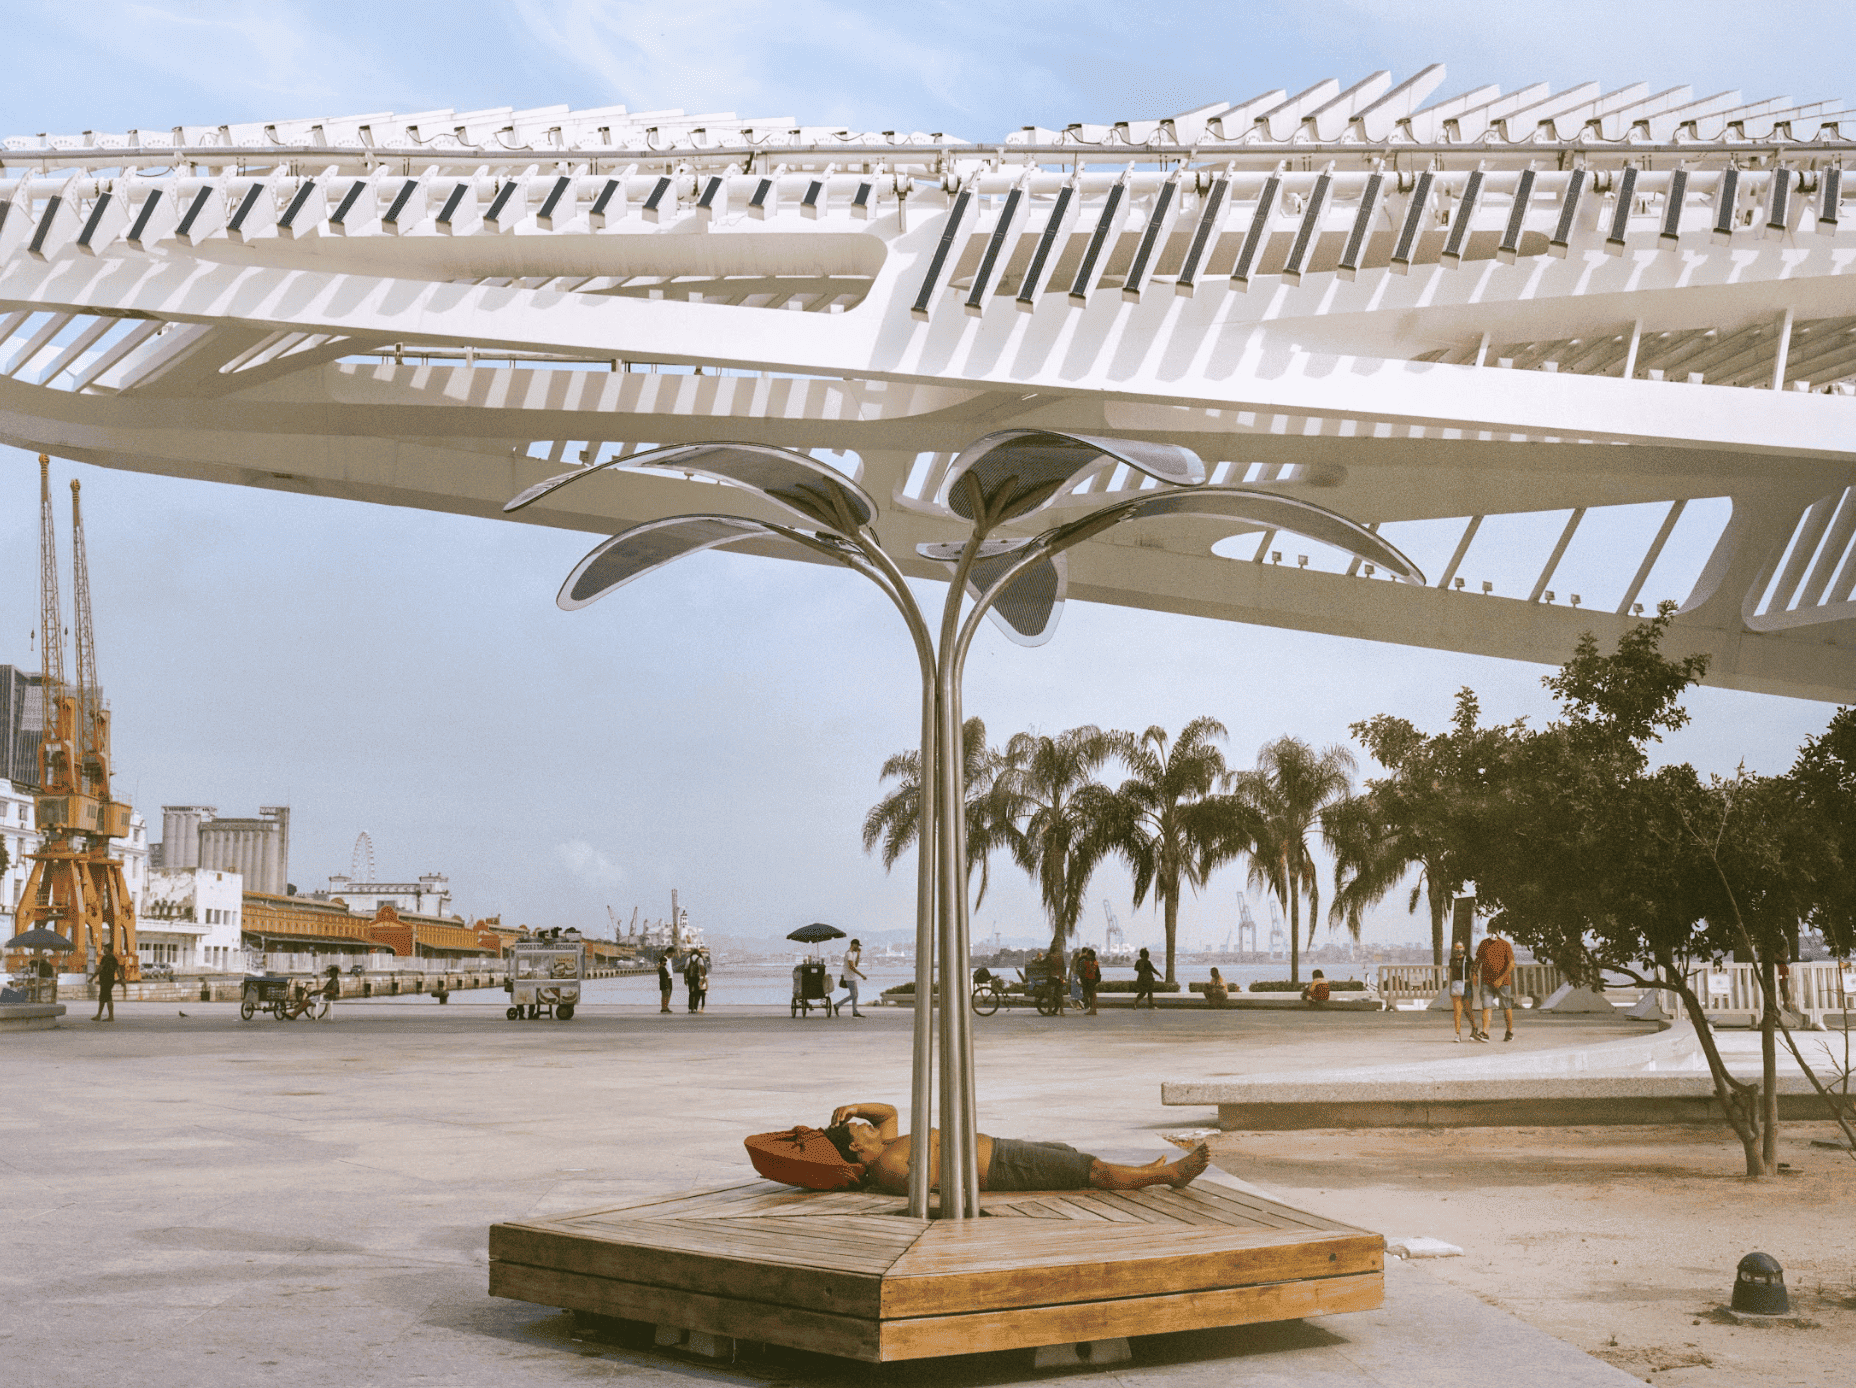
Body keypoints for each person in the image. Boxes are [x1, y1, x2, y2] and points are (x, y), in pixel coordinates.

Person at [821, 1101, 1211, 1194]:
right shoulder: (887, 1166)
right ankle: (1168, 1175)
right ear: (856, 1146)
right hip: (1003, 1168)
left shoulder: (889, 1142)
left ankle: (1145, 1170)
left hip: (1002, 1149)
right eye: (860, 1126)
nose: (867, 1125)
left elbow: (885, 1111)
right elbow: (935, 1183)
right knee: (1087, 1170)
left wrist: (854, 1106)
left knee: (1067, 1152)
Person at [1475, 929, 1517, 1042]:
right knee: (1486, 1006)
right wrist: (1474, 972)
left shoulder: (1505, 945)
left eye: (1496, 930)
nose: (1493, 933)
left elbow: (1511, 964)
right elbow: (1478, 959)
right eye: (1491, 930)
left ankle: (1510, 1031)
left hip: (1503, 983)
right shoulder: (1484, 944)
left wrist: (1501, 979)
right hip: (1486, 981)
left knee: (1506, 1006)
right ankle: (1485, 1033)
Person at [1447, 940, 1473, 1041]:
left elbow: (1473, 970)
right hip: (1456, 985)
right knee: (1457, 1012)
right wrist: (1450, 988)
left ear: (1464, 948)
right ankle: (1458, 1033)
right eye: (1456, 947)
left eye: (1460, 947)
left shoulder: (1468, 959)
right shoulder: (1452, 960)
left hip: (1466, 985)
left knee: (1468, 1010)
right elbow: (1450, 974)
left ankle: (1474, 1028)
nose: (1458, 949)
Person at [839, 938, 866, 1018]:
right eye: (857, 945)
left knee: (855, 995)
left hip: (851, 977)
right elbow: (852, 967)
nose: (858, 947)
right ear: (853, 944)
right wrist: (861, 975)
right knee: (854, 995)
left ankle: (854, 1011)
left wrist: (858, 954)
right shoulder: (849, 954)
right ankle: (838, 1005)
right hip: (849, 978)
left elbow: (856, 965)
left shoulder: (852, 954)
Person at [93, 948, 120, 1022]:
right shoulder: (114, 959)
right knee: (103, 997)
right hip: (110, 980)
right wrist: (121, 978)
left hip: (105, 980)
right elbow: (118, 969)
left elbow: (100, 968)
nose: (104, 950)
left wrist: (93, 977)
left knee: (107, 998)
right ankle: (99, 1015)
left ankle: (110, 1017)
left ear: (110, 950)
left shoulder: (105, 958)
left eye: (106, 949)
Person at [1077, 947, 1101, 1015]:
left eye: (1088, 954)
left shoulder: (1089, 962)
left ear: (1090, 955)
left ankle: (1092, 1009)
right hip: (1092, 980)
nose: (1086, 955)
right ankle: (1093, 1009)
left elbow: (1088, 971)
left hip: (1090, 980)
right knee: (1093, 995)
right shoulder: (1095, 962)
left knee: (1091, 995)